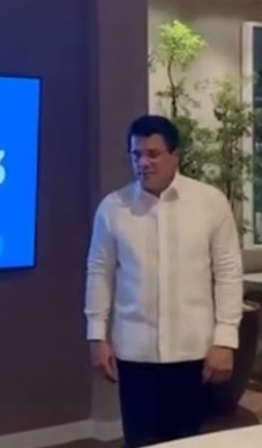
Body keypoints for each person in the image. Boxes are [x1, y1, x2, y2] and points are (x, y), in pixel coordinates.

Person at [84, 114, 243, 448]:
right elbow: (99, 272)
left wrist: (225, 340)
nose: (143, 163)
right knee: (140, 441)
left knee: (187, 441)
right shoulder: (113, 208)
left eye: (153, 154)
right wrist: (97, 336)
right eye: (136, 154)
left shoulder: (210, 202)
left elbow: (228, 272)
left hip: (193, 351)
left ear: (175, 155)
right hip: (134, 353)